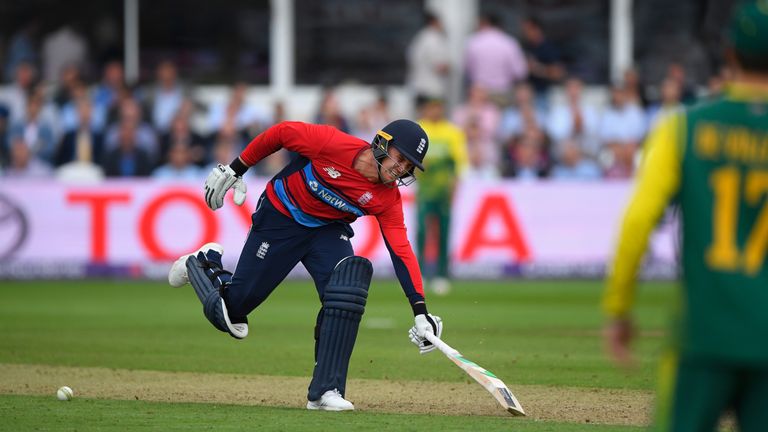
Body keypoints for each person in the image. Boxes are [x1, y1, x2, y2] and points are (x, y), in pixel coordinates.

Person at [167, 119, 443, 411]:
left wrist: (420, 311)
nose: (402, 169)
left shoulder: (388, 199)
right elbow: (281, 133)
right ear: (382, 144)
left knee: (346, 288)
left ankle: (326, 391)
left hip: (327, 231)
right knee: (232, 313)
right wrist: (237, 168)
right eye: (400, 158)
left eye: (409, 166)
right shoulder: (331, 143)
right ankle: (203, 263)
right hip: (281, 216)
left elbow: (400, 249)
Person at [602, 2, 768, 430]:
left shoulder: (684, 127)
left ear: (728, 52)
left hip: (703, 335)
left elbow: (638, 221)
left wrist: (619, 308)